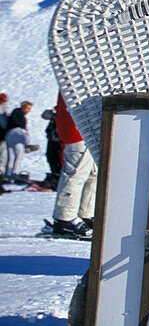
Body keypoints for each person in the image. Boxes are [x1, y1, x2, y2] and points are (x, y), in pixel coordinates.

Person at [49, 95, 98, 237]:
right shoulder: (75, 81)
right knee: (75, 174)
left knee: (92, 174)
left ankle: (85, 214)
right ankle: (64, 218)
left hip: (86, 131)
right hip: (78, 131)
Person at [4, 101, 32, 181]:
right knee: (18, 155)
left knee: (11, 156)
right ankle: (14, 174)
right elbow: (19, 126)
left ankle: (8, 174)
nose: (29, 110)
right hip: (16, 134)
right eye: (28, 108)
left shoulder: (17, 113)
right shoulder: (18, 112)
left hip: (9, 135)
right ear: (23, 107)